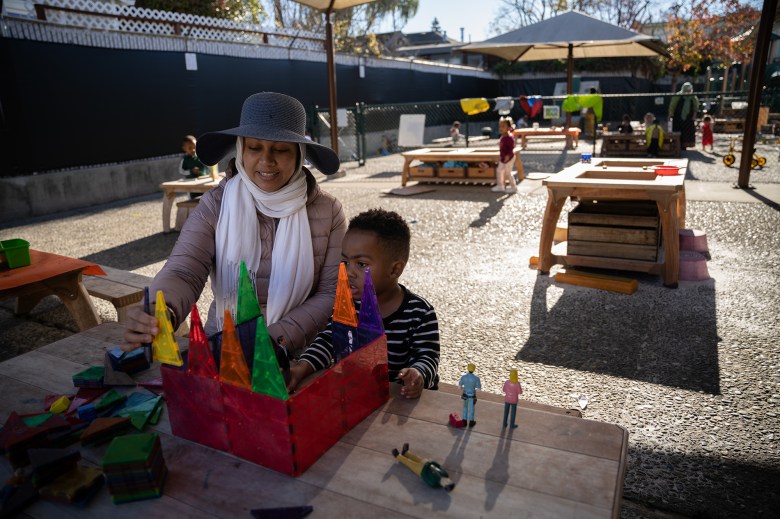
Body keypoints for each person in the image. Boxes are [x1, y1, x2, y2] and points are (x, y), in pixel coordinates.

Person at [122, 92, 346, 357]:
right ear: (241, 149)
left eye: (281, 149)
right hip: (225, 347)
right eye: (254, 147)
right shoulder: (215, 204)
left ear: (299, 154)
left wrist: (272, 340)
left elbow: (331, 292)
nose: (266, 160)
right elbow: (184, 270)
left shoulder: (328, 211)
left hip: (301, 356)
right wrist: (162, 310)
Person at [287, 208, 440, 399]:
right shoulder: (349, 305)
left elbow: (428, 356)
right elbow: (329, 341)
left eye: (361, 264)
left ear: (394, 269)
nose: (349, 272)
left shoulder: (419, 312)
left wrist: (417, 374)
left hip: (399, 403)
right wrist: (303, 366)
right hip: (358, 397)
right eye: (345, 262)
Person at [492, 117, 519, 193]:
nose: (501, 128)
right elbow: (502, 145)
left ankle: (514, 187)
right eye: (500, 126)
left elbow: (511, 148)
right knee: (499, 170)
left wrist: (508, 156)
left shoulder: (509, 138)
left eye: (503, 126)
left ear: (508, 127)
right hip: (503, 158)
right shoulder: (503, 137)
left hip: (509, 158)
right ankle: (500, 186)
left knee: (508, 172)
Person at [668, 82, 699, 149]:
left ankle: (685, 145)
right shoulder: (678, 95)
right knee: (677, 129)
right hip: (678, 116)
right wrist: (671, 113)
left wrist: (694, 115)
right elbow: (673, 105)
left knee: (687, 131)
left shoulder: (693, 97)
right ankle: (677, 144)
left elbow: (695, 107)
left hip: (689, 117)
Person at [458, 363, 481, 427]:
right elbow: (479, 390)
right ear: (474, 369)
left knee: (465, 408)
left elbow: (459, 387)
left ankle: (464, 421)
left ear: (468, 369)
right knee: (472, 409)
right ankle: (471, 421)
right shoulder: (476, 378)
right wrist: (473, 390)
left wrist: (464, 388)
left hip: (465, 395)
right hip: (472, 396)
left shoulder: (463, 377)